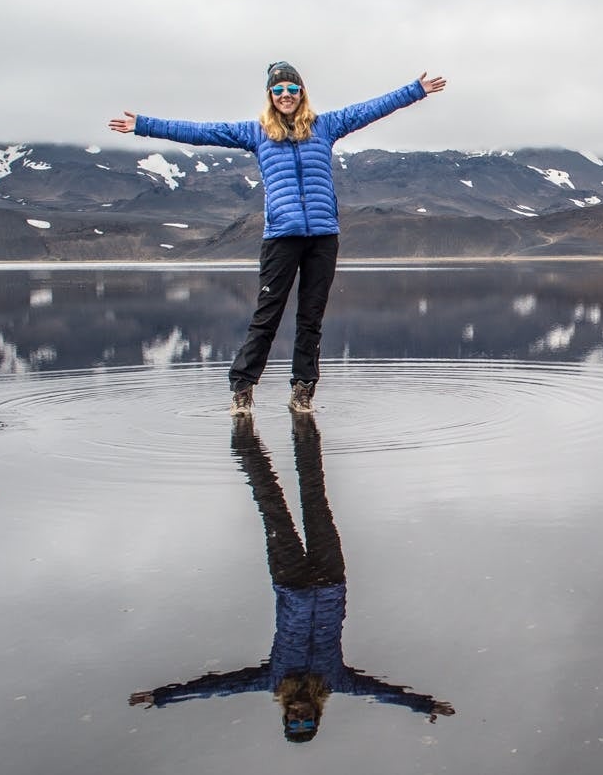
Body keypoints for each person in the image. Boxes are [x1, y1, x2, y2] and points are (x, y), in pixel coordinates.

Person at [109, 62, 447, 414]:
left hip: (322, 237)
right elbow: (201, 131)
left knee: (311, 319)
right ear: (270, 96)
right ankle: (242, 389)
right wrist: (144, 125)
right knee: (266, 316)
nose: (286, 95)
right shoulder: (256, 133)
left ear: (302, 93)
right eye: (279, 90)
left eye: (292, 89)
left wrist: (414, 91)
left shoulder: (325, 126)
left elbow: (369, 110)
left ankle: (303, 391)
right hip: (281, 237)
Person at [128, 413, 455, 740]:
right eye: (306, 723)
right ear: (316, 717)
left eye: (294, 722)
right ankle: (304, 433)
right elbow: (381, 692)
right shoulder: (336, 681)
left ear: (286, 716)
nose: (301, 717)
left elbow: (219, 686)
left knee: (272, 507)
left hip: (291, 584)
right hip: (330, 582)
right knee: (316, 499)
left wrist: (161, 696)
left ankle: (245, 443)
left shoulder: (273, 679)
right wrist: (423, 705)